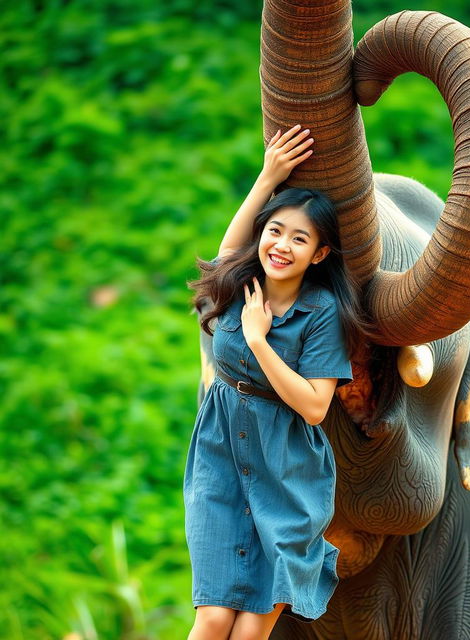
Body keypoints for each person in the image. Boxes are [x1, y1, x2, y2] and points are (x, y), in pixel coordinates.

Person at [184, 124, 375, 640]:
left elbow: (315, 407)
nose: (281, 245)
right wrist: (269, 177)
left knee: (249, 629)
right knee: (213, 618)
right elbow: (230, 244)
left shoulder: (322, 312)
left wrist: (260, 343)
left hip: (287, 473)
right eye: (275, 231)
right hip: (220, 460)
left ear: (318, 254)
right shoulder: (237, 279)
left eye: (299, 238)